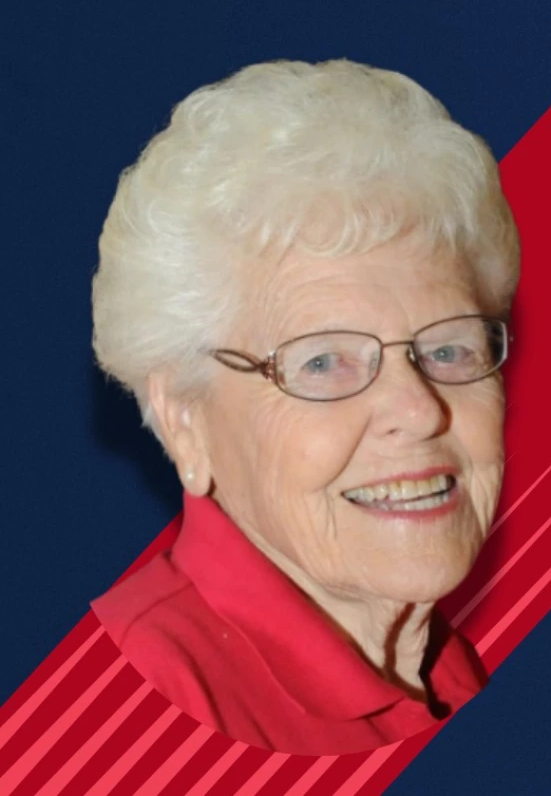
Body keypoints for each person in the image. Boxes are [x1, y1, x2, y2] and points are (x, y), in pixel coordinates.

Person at [90, 60, 519, 754]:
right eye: (323, 361)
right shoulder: (124, 711)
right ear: (184, 419)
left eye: (448, 349)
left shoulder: (453, 676)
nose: (418, 409)